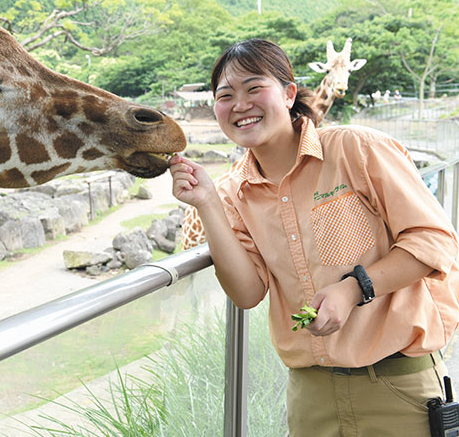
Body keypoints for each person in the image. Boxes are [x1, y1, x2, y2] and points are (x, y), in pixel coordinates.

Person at [169, 38, 459, 436]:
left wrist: (355, 288)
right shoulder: (234, 192)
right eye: (225, 95)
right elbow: (248, 292)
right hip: (310, 396)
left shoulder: (356, 149)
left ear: (289, 94)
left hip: (398, 386)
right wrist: (206, 202)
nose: (240, 105)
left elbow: (434, 240)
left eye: (254, 88)